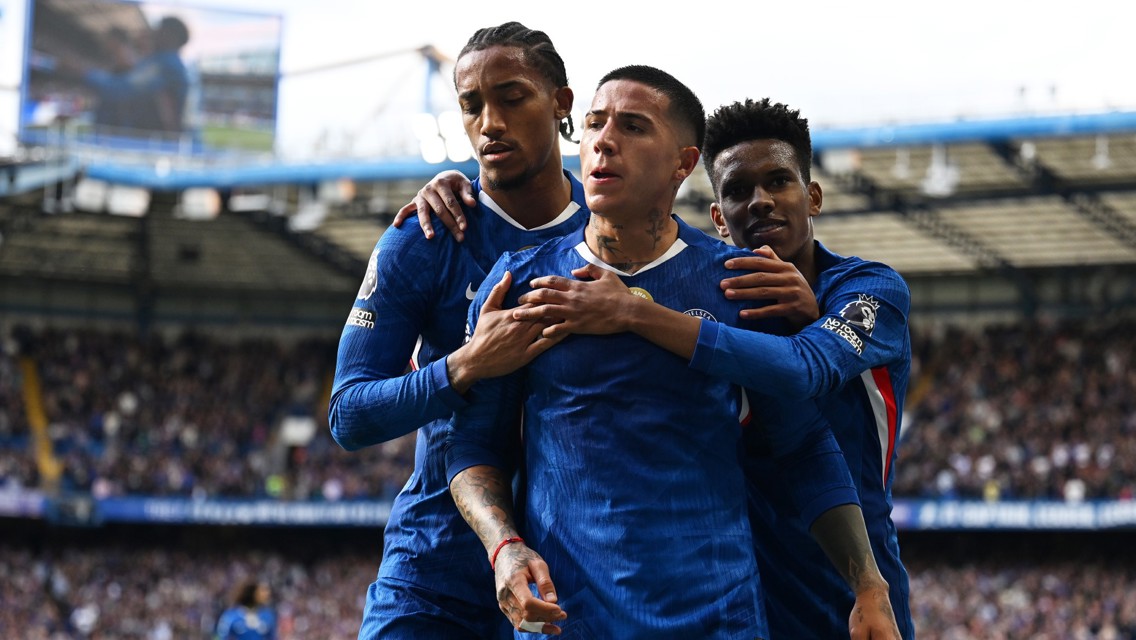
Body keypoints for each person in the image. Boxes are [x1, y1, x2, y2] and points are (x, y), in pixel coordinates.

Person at [445, 65, 887, 639]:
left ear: (683, 162)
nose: (603, 140)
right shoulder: (523, 281)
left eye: (632, 126)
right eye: (595, 124)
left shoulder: (739, 284)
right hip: (567, 621)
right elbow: (475, 444)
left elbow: (803, 446)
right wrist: (503, 545)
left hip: (716, 621)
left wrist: (867, 584)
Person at [328, 22, 589, 640]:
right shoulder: (422, 238)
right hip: (433, 570)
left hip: (571, 577)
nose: (489, 122)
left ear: (562, 103)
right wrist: (466, 365)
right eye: (472, 106)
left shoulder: (611, 242)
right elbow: (349, 414)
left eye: (512, 97)